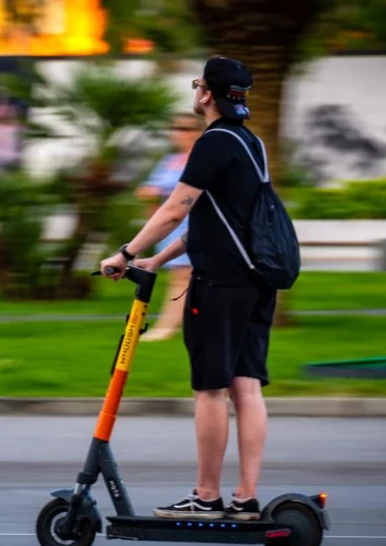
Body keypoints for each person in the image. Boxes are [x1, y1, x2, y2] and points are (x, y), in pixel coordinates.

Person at [99, 56, 276, 521]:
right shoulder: (251, 144)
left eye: (198, 84)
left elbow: (177, 208)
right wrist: (157, 259)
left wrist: (126, 251)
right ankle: (246, 498)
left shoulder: (211, 142)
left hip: (218, 284)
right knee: (247, 385)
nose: (196, 91)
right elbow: (217, 219)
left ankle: (207, 496)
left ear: (207, 95)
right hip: (257, 281)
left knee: (212, 389)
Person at [135, 112, 203, 342]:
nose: (179, 133)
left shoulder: (202, 159)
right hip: (169, 227)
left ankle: (166, 327)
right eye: (176, 128)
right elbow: (148, 188)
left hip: (191, 225)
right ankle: (184, 325)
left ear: (198, 131)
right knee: (182, 278)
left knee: (183, 278)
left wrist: (163, 192)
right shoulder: (169, 161)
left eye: (185, 128)